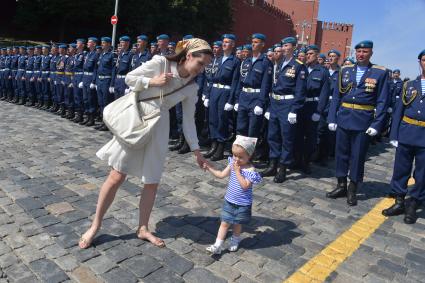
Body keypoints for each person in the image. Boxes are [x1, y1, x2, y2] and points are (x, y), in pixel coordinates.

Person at [78, 38, 213, 249]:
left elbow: (188, 120)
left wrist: (197, 151)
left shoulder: (191, 87)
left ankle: (143, 228)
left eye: (205, 65)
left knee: (152, 181)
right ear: (188, 56)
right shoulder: (161, 63)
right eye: (200, 63)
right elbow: (130, 78)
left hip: (159, 127)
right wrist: (153, 82)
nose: (202, 70)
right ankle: (95, 225)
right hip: (138, 119)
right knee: (116, 176)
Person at [326, 40, 390, 206]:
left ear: (371, 53)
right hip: (344, 117)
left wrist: (377, 125)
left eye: (365, 52)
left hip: (363, 120)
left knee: (357, 156)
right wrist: (332, 118)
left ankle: (353, 188)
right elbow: (336, 97)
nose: (361, 54)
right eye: (359, 51)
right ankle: (341, 184)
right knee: (340, 154)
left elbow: (383, 101)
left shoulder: (379, 73)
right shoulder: (346, 70)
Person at [383, 50, 425, 224]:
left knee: (422, 174)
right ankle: (399, 201)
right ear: (419, 62)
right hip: (407, 132)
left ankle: (413, 204)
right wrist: (394, 134)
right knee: (400, 170)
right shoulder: (409, 85)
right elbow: (399, 110)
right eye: (424, 59)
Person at [204, 135, 262, 254]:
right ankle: (217, 245)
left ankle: (235, 240)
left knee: (237, 224)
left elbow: (245, 186)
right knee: (224, 223)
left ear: (249, 156)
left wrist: (237, 171)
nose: (236, 159)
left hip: (243, 204)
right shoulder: (232, 163)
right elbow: (221, 175)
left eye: (241, 157)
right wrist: (209, 167)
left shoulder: (250, 170)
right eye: (235, 155)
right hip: (229, 200)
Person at [261, 37, 307, 182]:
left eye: (287, 46)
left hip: (288, 104)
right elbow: (273, 86)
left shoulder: (298, 66)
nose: (284, 48)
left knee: (286, 138)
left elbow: (300, 91)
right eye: (283, 46)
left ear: (294, 47)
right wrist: (269, 106)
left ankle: (282, 168)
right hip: (275, 103)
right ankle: (272, 164)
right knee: (272, 135)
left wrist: (294, 109)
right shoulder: (279, 63)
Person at [294, 44, 330, 174]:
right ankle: (296, 160)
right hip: (299, 106)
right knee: (297, 134)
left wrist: (318, 111)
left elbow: (324, 94)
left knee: (310, 137)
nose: (308, 56)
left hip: (313, 106)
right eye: (306, 54)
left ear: (316, 55)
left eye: (310, 54)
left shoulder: (322, 72)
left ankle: (306, 162)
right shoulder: (301, 68)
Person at [203, 34, 240, 161]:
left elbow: (235, 82)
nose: (224, 44)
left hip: (225, 92)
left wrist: (231, 101)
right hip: (214, 91)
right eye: (223, 42)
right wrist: (207, 95)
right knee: (212, 119)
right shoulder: (217, 60)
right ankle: (213, 145)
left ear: (233, 45)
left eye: (227, 42)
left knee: (222, 121)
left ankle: (220, 148)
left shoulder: (235, 61)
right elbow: (211, 79)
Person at [234, 33, 273, 141]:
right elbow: (240, 83)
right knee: (240, 127)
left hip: (256, 98)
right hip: (244, 96)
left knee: (252, 129)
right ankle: (239, 154)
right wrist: (237, 100)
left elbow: (266, 85)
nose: (253, 44)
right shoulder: (246, 61)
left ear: (262, 44)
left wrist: (260, 103)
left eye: (256, 42)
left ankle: (249, 155)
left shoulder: (265, 62)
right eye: (252, 42)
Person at [95, 37, 117, 131]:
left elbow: (113, 70)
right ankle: (102, 121)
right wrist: (95, 81)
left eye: (104, 43)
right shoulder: (101, 55)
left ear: (108, 44)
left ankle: (107, 123)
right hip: (99, 80)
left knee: (106, 102)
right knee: (100, 102)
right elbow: (97, 69)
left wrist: (112, 84)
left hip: (106, 80)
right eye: (102, 42)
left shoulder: (112, 55)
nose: (102, 44)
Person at [81, 37, 99, 126]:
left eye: (89, 42)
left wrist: (94, 81)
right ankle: (87, 117)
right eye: (87, 42)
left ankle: (92, 119)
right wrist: (82, 80)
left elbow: (96, 69)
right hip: (85, 78)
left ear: (94, 44)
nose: (87, 43)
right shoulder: (88, 54)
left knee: (91, 99)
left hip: (91, 78)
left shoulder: (96, 54)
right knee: (85, 99)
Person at [71, 39, 86, 123]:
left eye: (78, 43)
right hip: (76, 76)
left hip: (80, 76)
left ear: (82, 45)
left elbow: (85, 68)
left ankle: (81, 116)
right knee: (76, 96)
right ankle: (78, 114)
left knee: (80, 97)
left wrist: (83, 79)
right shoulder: (76, 56)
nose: (76, 44)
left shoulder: (84, 55)